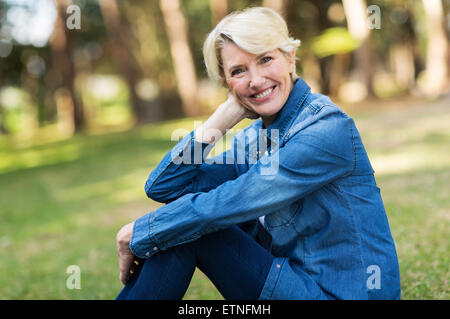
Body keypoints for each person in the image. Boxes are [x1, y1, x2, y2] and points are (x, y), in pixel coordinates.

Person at [115, 7, 401, 300]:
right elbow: (165, 185)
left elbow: (224, 204)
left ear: (290, 58)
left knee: (190, 227)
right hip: (291, 282)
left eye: (265, 59)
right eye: (238, 71)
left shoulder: (325, 129)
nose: (255, 80)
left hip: (341, 294)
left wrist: (140, 232)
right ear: (227, 82)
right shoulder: (255, 138)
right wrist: (222, 118)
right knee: (184, 225)